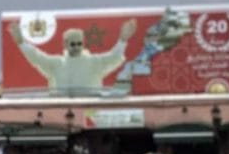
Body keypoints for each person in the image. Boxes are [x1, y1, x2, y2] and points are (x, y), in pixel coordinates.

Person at [8, 18, 137, 96]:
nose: (76, 47)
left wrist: (123, 39)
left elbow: (114, 57)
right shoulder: (56, 64)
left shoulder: (93, 62)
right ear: (65, 44)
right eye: (73, 44)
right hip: (61, 112)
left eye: (79, 43)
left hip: (88, 110)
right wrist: (21, 42)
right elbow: (37, 57)